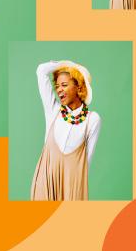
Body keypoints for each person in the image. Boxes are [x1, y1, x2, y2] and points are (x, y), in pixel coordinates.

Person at [30, 61, 102, 200]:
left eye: (64, 85)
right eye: (57, 86)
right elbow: (41, 70)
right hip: (45, 183)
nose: (59, 90)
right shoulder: (53, 110)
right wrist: (68, 64)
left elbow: (86, 162)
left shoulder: (92, 120)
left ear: (78, 87)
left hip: (73, 186)